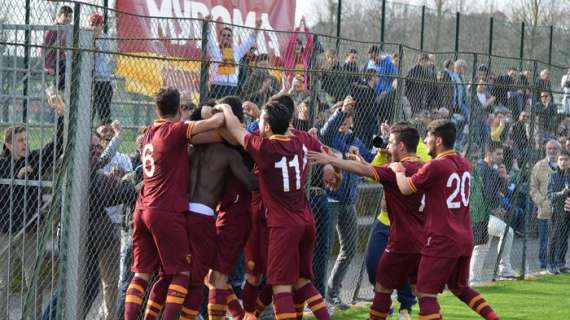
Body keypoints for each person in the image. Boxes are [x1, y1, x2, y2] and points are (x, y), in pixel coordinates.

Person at [219, 101, 335, 320]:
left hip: (282, 225)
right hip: (306, 220)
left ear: (268, 126)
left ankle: (248, 314)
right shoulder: (300, 142)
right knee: (301, 282)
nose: (258, 124)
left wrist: (225, 109)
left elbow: (235, 129)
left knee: (280, 287)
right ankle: (250, 315)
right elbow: (321, 150)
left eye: (261, 121)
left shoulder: (265, 148)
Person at [123, 87, 225, 320]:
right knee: (181, 272)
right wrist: (221, 111)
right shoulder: (175, 131)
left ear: (157, 109)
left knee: (142, 274)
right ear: (179, 109)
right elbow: (214, 125)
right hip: (165, 210)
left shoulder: (150, 131)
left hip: (142, 209)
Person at [309, 123, 425, 320]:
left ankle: (399, 308)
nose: (388, 146)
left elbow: (362, 171)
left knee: (382, 284)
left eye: (391, 143)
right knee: (410, 286)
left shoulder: (396, 169)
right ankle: (404, 308)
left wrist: (329, 159)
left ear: (402, 147)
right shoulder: (427, 167)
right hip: (422, 240)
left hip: (401, 240)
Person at [390, 120, 499, 320]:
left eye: (429, 137)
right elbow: (439, 173)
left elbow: (405, 188)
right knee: (460, 287)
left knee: (425, 293)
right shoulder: (464, 163)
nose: (426, 141)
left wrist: (398, 170)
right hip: (464, 237)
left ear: (438, 140)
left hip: (442, 238)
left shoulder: (435, 166)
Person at [177, 96, 258, 320]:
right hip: (216, 216)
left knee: (212, 277)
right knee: (208, 277)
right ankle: (240, 316)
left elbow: (251, 182)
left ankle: (240, 316)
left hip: (231, 217)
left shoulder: (236, 146)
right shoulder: (226, 146)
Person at [0, 94, 64, 319]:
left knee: (34, 282)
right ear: (8, 144)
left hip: (29, 232)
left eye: (26, 139)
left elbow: (58, 145)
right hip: (5, 232)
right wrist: (15, 175)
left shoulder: (34, 160)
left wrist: (61, 114)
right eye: (20, 140)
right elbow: (6, 177)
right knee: (2, 283)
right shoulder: (2, 165)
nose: (25, 143)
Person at [471, 143, 518, 282]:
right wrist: (494, 206)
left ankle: (474, 279)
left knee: (482, 247)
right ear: (489, 154)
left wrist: (503, 177)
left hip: (490, 213)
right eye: (498, 154)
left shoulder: (493, 169)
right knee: (506, 232)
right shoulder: (482, 168)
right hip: (483, 213)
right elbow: (483, 193)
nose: (501, 157)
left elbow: (502, 192)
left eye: (502, 154)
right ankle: (503, 269)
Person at [206, 15, 262, 99]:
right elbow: (209, 39)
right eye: (224, 35)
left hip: (232, 88)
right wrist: (208, 25)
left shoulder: (237, 51)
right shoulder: (215, 50)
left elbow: (250, 40)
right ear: (219, 37)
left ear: (232, 38)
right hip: (217, 87)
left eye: (229, 35)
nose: (226, 37)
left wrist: (257, 27)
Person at [530, 140, 560, 271]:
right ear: (545, 150)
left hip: (561, 209)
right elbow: (533, 188)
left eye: (554, 148)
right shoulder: (539, 166)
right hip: (545, 210)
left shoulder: (564, 165)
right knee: (544, 240)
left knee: (559, 238)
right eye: (549, 148)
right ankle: (543, 265)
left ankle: (557, 263)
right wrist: (542, 202)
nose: (552, 151)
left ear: (559, 150)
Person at [546, 151, 570, 274]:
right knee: (554, 238)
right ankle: (550, 264)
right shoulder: (553, 176)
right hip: (556, 211)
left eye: (566, 159)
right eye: (561, 159)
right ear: (557, 161)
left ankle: (561, 263)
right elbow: (549, 195)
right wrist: (562, 193)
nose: (563, 162)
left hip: (568, 212)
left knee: (564, 238)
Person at [89, 13, 114, 123]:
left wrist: (94, 40)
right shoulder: (86, 36)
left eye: (98, 24)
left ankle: (104, 134)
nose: (95, 27)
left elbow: (98, 51)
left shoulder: (105, 38)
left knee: (104, 112)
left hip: (103, 79)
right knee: (88, 111)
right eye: (93, 24)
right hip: (89, 79)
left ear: (102, 25)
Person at [42, 5, 73, 91]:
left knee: (71, 67)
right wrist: (47, 66)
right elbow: (44, 48)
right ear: (59, 16)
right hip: (52, 61)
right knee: (68, 67)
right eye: (66, 16)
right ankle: (55, 88)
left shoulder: (67, 30)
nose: (68, 19)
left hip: (61, 60)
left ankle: (60, 90)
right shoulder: (53, 29)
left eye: (70, 16)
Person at [283, 17, 314, 90]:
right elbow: (291, 41)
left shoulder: (305, 56)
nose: (297, 46)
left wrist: (305, 27)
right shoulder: (289, 56)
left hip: (302, 87)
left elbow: (310, 41)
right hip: (290, 87)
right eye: (295, 44)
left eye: (299, 44)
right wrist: (298, 28)